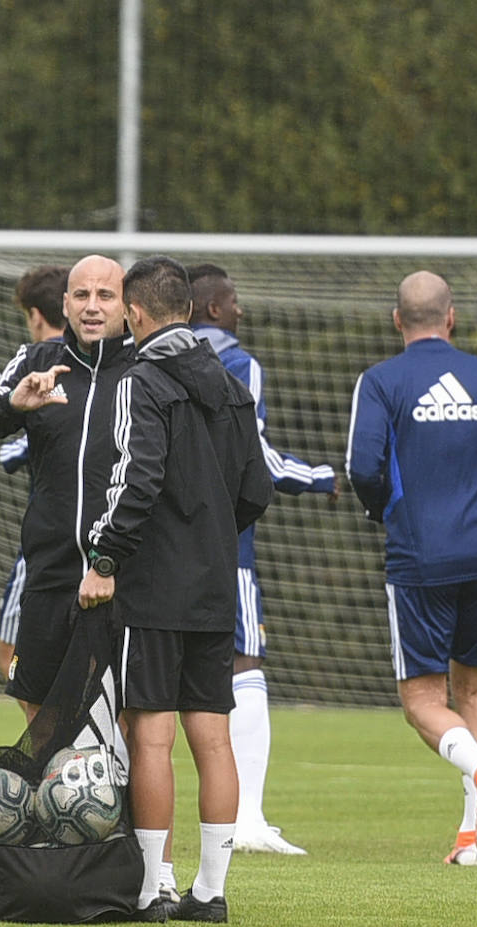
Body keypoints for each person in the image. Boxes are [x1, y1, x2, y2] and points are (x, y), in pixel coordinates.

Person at [79, 256, 273, 923]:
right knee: (213, 737)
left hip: (157, 585)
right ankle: (212, 892)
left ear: (136, 314)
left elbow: (138, 480)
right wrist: (214, 535)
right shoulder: (230, 382)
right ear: (188, 309)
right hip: (217, 583)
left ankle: (153, 887)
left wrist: (104, 558)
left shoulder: (142, 381)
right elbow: (258, 487)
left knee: (152, 737)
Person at [346, 271, 477, 866]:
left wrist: (380, 509)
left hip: (419, 557)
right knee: (474, 691)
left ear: (397, 321)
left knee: (421, 700)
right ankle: (474, 842)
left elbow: (363, 468)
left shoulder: (382, 381)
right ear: (452, 316)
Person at [188, 263, 339, 856]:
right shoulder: (238, 364)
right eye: (233, 301)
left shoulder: (141, 361)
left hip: (154, 546)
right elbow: (257, 458)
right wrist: (322, 476)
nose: (240, 310)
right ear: (213, 309)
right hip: (227, 547)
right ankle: (246, 818)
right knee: (244, 664)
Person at [0, 255, 135, 723]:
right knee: (39, 708)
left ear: (127, 306)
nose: (92, 307)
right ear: (66, 305)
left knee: (129, 719)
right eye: (81, 295)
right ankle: (51, 794)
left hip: (129, 578)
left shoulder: (146, 368)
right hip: (50, 573)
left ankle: (113, 797)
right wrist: (13, 405)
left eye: (105, 295)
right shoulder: (37, 361)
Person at [0, 264, 69, 689]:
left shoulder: (40, 365)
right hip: (108, 543)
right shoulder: (100, 364)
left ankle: (60, 745)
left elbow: (11, 450)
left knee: (11, 657)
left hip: (47, 547)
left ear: (36, 316)